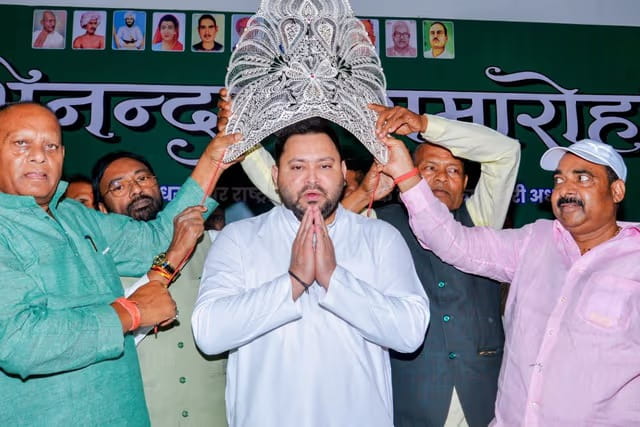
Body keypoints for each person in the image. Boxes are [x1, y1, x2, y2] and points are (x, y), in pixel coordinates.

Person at [0, 101, 239, 425]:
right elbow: (20, 340)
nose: (40, 156)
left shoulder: (76, 216)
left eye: (51, 146)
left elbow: (156, 239)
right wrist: (131, 313)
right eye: (21, 143)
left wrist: (214, 159)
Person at [382, 132, 640, 425]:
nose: (566, 189)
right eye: (559, 180)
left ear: (617, 191)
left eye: (582, 179)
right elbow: (454, 242)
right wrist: (407, 176)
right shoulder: (535, 240)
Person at [192, 117, 430, 427]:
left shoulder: (379, 237)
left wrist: (335, 280)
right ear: (276, 175)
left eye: (325, 166)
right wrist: (293, 282)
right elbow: (209, 334)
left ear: (343, 171)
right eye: (297, 167)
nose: (312, 179)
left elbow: (410, 333)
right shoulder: (239, 238)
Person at [352, 105, 519, 426]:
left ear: (466, 181)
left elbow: (505, 152)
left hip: (483, 396)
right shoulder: (380, 224)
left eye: (453, 170)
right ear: (406, 171)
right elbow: (319, 230)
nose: (442, 177)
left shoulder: (481, 220)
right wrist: (361, 195)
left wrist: (423, 124)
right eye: (429, 168)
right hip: (411, 394)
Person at [92, 151, 229, 427]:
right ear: (102, 210)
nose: (136, 189)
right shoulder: (95, 267)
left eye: (143, 178)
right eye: (118, 186)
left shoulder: (216, 245)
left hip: (215, 415)